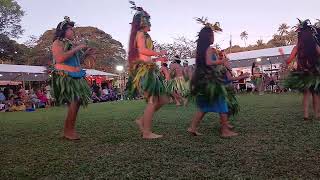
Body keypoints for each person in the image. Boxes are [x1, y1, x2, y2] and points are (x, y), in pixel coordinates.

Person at [187, 18, 239, 137]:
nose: (213, 37)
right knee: (222, 103)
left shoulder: (201, 50)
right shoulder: (209, 49)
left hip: (204, 80)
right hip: (211, 81)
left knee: (204, 106)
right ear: (208, 37)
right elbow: (209, 62)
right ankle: (225, 131)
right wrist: (222, 61)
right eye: (212, 35)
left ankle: (192, 127)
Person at [127, 2, 167, 139]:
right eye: (148, 20)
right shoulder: (140, 34)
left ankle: (142, 120)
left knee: (163, 100)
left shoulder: (145, 35)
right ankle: (146, 132)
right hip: (144, 71)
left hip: (150, 69)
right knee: (152, 101)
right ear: (142, 22)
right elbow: (143, 50)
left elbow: (145, 54)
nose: (150, 23)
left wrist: (156, 58)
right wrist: (158, 53)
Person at [51, 16, 94, 140]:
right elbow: (59, 59)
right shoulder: (57, 42)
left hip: (76, 75)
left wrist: (86, 54)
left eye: (72, 29)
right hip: (65, 76)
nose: (72, 31)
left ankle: (69, 130)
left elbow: (77, 61)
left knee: (77, 101)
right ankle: (68, 131)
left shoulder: (70, 44)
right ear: (62, 30)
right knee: (75, 101)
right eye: (70, 29)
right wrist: (77, 48)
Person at [284, 19, 320, 121]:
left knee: (306, 94)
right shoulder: (315, 45)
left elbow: (289, 61)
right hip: (314, 72)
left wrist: (283, 56)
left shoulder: (297, 47)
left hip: (303, 72)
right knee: (315, 93)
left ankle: (306, 115)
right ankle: (317, 114)